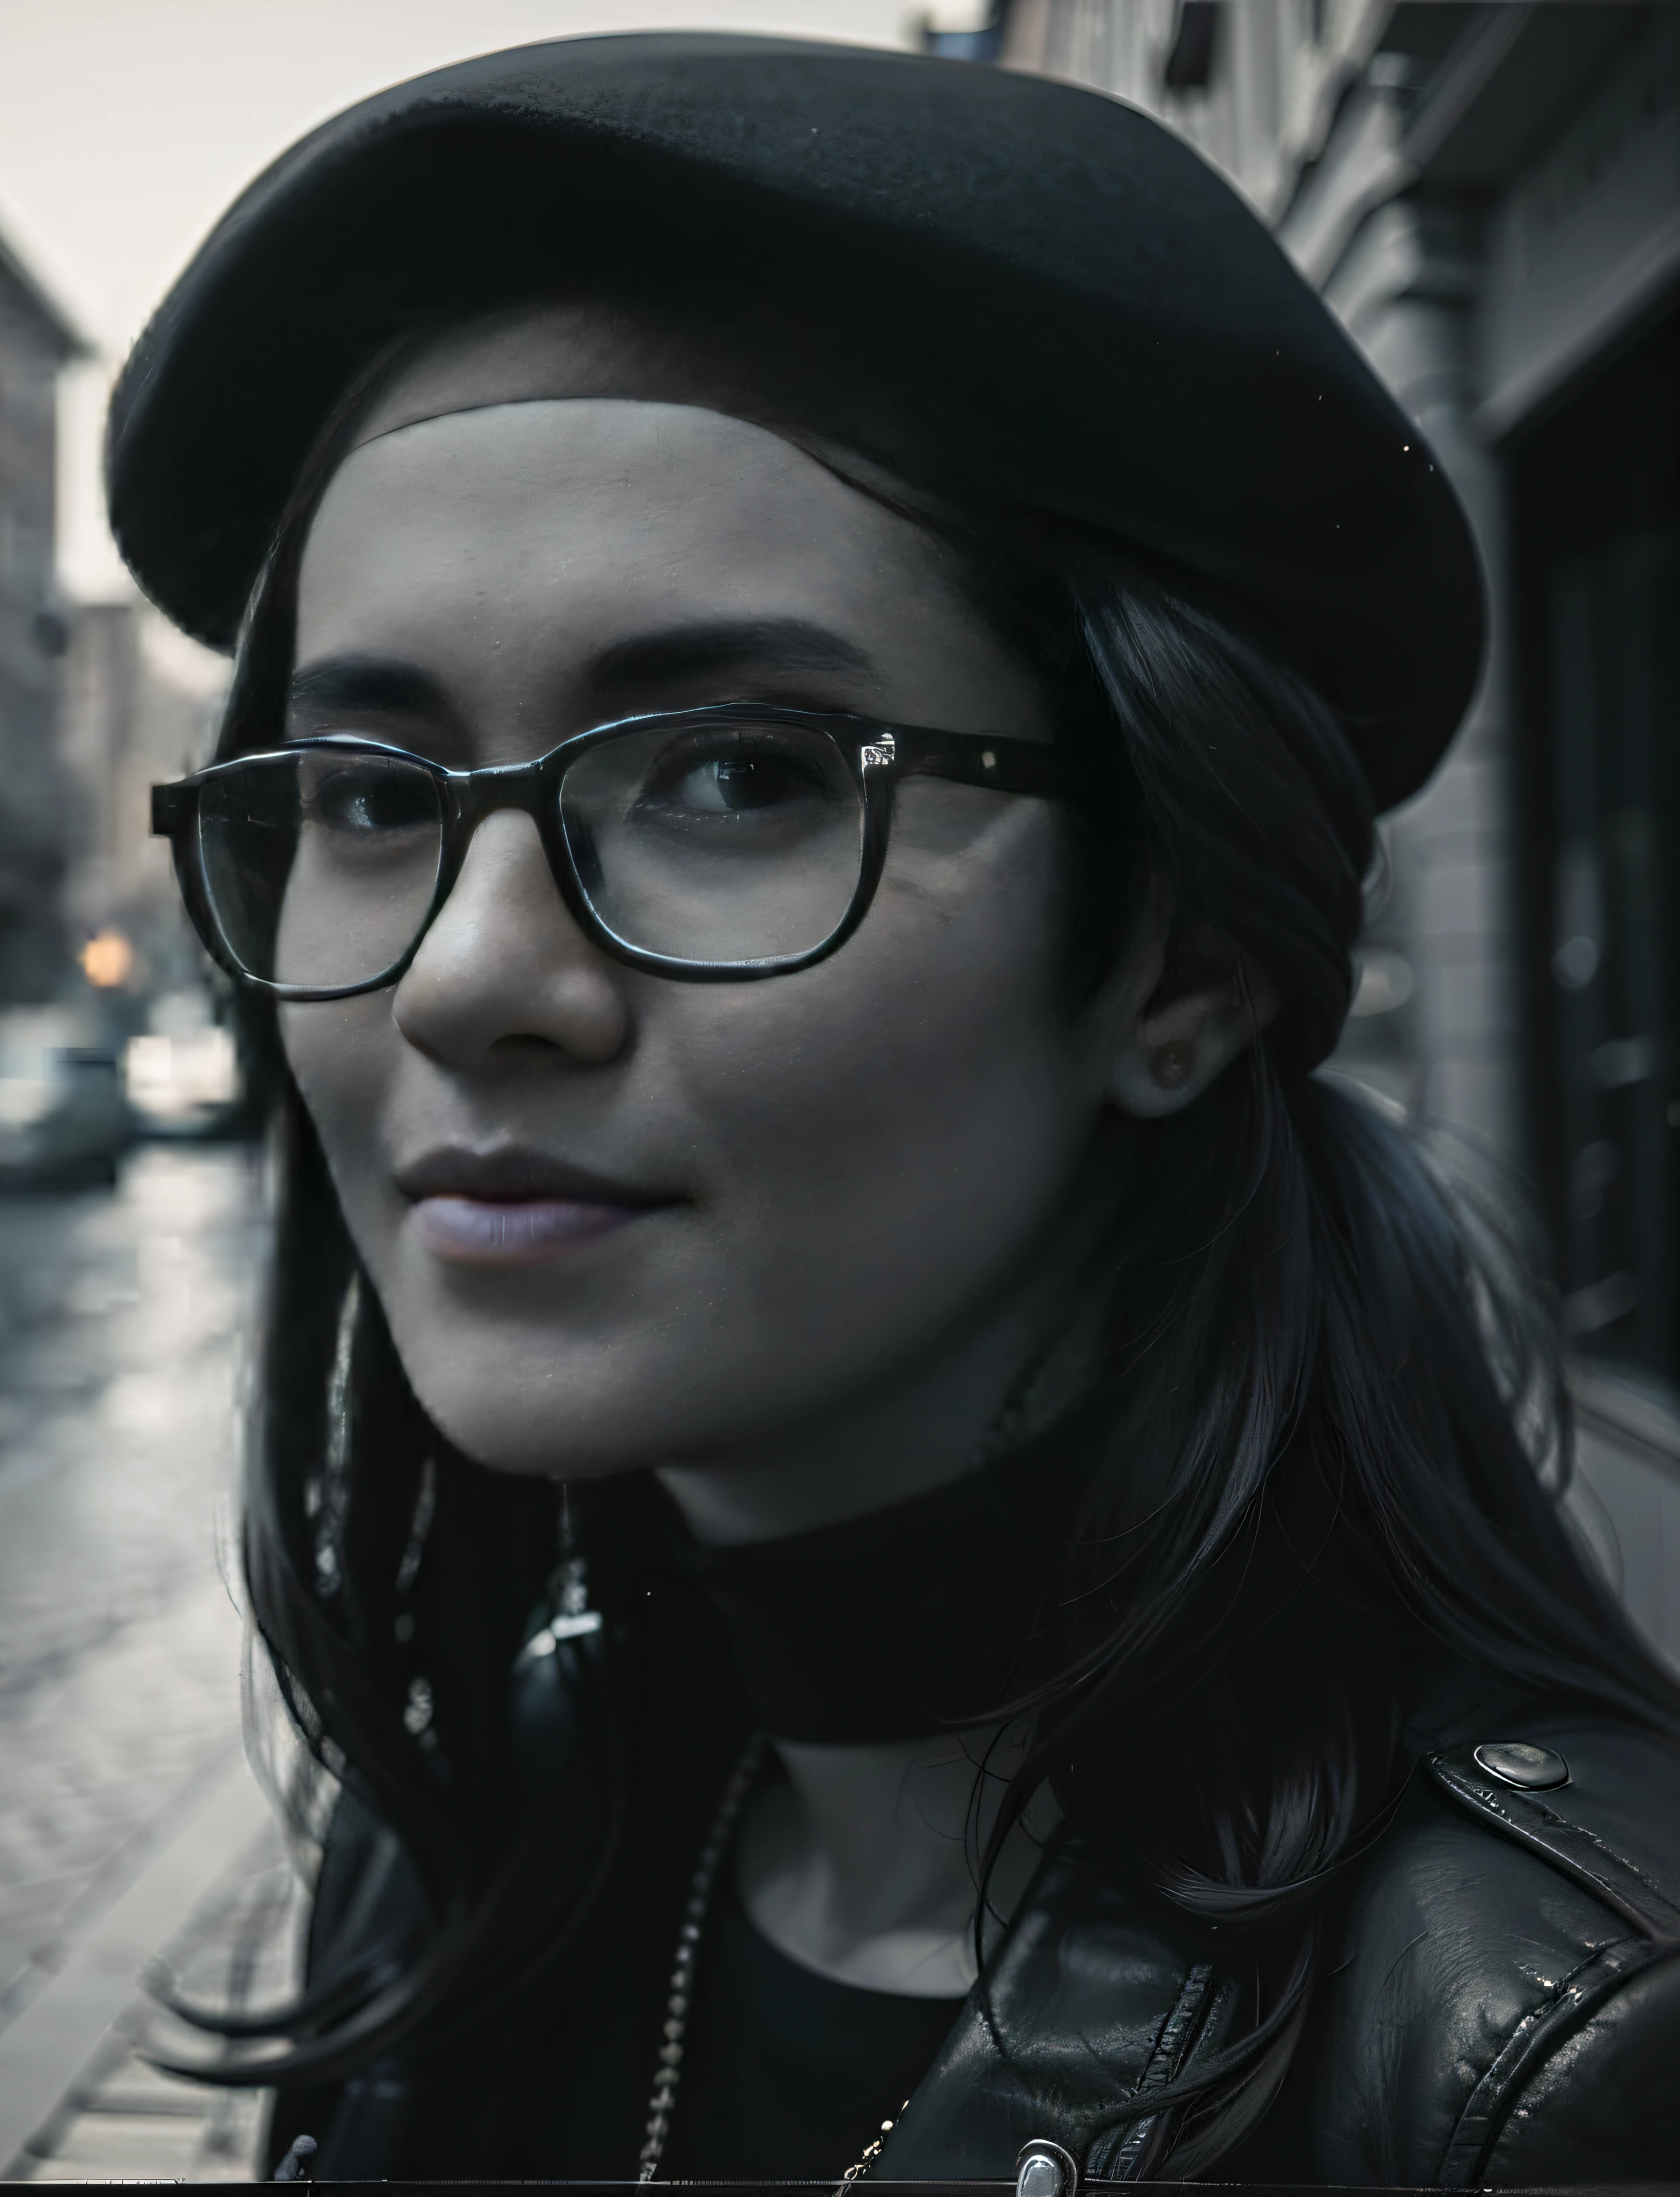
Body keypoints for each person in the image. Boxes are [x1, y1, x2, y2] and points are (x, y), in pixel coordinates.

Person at [109, 35, 1680, 2186]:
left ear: (1182, 956)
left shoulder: (1548, 2066)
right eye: (374, 796)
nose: (471, 975)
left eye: (738, 772)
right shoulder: (496, 1835)